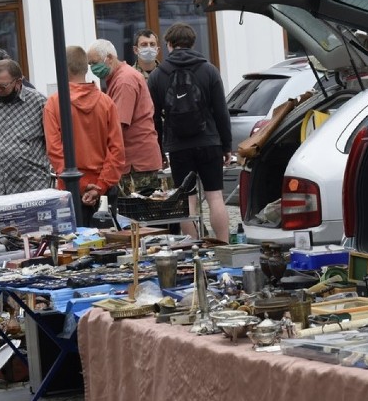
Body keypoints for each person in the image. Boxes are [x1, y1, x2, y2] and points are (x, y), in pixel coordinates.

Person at [148, 22, 232, 243]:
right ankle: (223, 245)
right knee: (215, 197)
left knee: (186, 200)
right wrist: (226, 146)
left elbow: (154, 118)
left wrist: (159, 151)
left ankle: (194, 247)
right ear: (193, 43)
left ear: (168, 45)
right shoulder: (209, 70)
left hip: (178, 146)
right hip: (209, 142)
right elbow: (221, 112)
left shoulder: (157, 75)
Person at [43, 45, 126, 223]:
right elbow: (117, 151)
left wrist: (79, 185)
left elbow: (55, 152)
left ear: (61, 69)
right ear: (86, 67)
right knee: (109, 245)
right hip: (104, 189)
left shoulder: (54, 104)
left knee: (74, 247)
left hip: (70, 189)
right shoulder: (107, 103)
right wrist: (100, 186)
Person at [87, 39, 162, 195]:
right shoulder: (119, 77)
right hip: (136, 161)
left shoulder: (124, 81)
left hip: (136, 164)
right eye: (90, 65)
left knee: (135, 216)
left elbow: (117, 126)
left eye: (94, 63)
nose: (93, 68)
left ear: (109, 58)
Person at [0, 59, 50, 197]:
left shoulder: (39, 103)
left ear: (18, 82)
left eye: (2, 86)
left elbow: (52, 140)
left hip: (30, 186)